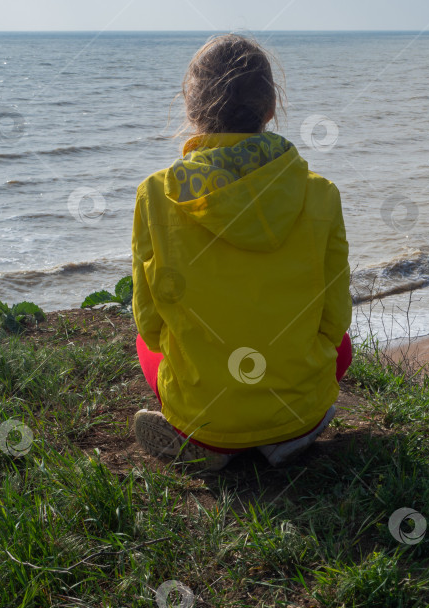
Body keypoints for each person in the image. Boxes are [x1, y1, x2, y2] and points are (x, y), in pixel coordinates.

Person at [130, 33, 352, 471]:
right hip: (297, 408)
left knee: (145, 344)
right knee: (340, 347)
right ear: (270, 108)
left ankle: (210, 444)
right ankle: (293, 435)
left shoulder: (156, 194)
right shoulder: (320, 193)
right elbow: (334, 317)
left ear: (192, 110)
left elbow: (150, 323)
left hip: (205, 412)